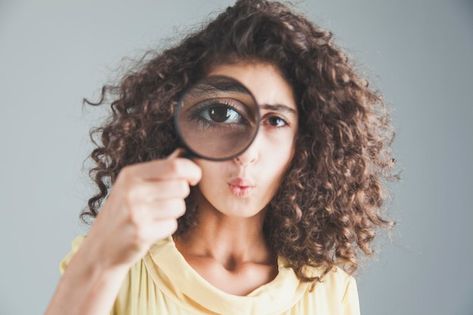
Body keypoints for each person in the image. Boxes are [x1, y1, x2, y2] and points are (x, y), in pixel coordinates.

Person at [45, 0, 399, 314]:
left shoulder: (330, 292)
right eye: (221, 115)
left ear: (305, 144)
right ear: (174, 123)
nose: (246, 153)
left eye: (275, 120)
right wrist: (101, 261)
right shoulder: (109, 260)